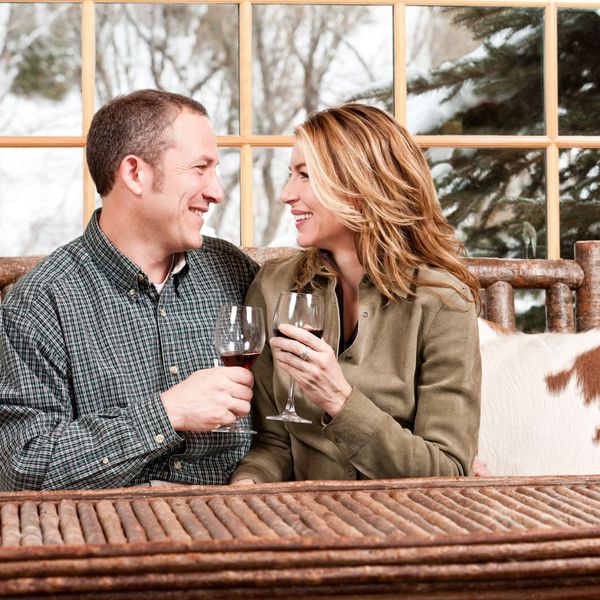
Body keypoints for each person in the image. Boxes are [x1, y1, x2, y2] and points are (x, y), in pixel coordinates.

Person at [0, 89, 258, 490]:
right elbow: (21, 468)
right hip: (110, 541)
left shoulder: (234, 272)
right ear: (135, 174)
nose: (217, 192)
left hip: (252, 530)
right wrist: (165, 413)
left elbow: (283, 433)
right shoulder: (40, 302)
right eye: (199, 168)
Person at [231, 104, 481, 484]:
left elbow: (446, 472)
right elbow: (274, 444)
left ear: (359, 187)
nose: (286, 194)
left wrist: (339, 399)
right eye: (289, 175)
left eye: (305, 176)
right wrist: (248, 484)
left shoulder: (442, 303)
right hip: (300, 521)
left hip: (407, 524)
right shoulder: (275, 286)